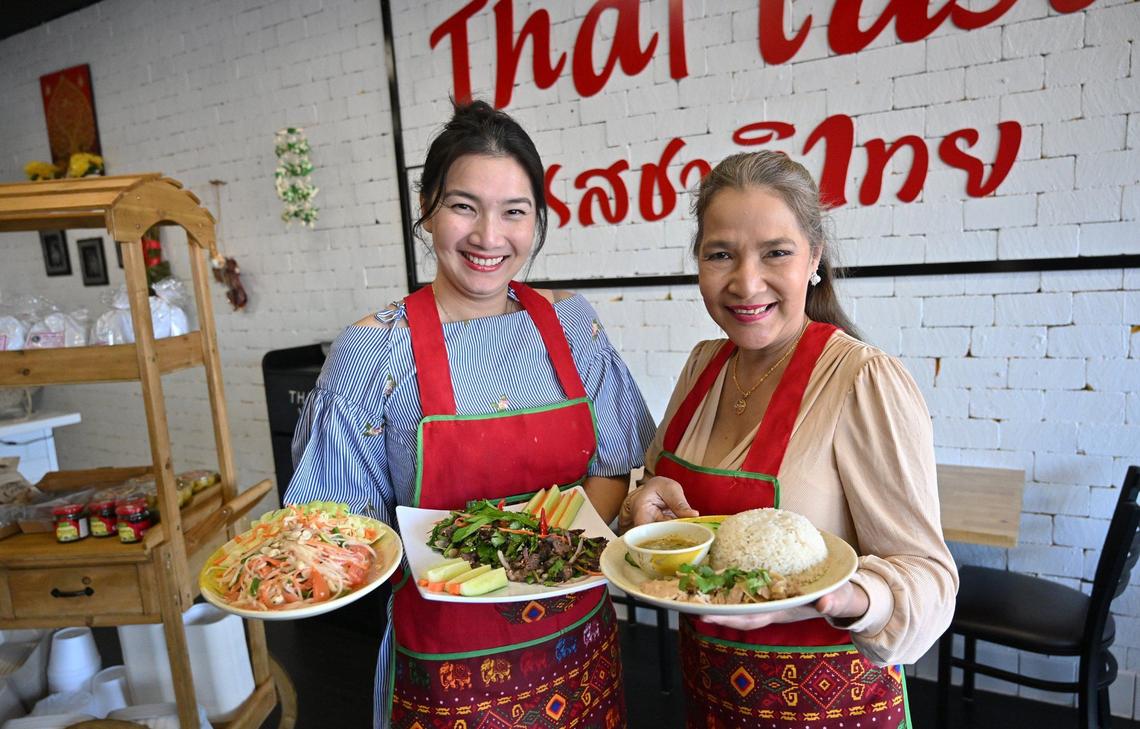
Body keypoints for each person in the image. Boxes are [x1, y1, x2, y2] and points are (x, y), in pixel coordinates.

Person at [284, 100, 656, 729]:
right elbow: (341, 530)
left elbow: (614, 464)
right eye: (464, 206)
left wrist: (544, 560)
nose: (489, 236)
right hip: (448, 659)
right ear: (427, 208)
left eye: (514, 212)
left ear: (537, 219)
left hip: (579, 644)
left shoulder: (572, 325)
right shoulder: (374, 350)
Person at [620, 151, 958, 728]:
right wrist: (642, 502)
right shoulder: (703, 365)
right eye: (720, 254)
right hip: (709, 693)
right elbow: (657, 495)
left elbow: (931, 578)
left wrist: (844, 597)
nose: (746, 282)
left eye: (776, 253)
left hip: (829, 706)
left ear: (814, 259)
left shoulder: (860, 379)